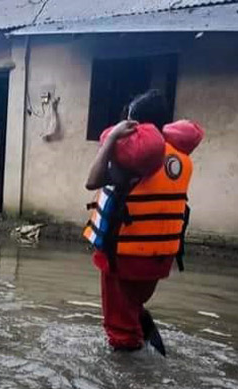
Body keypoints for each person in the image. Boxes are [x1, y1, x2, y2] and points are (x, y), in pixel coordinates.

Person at [84, 90, 196, 355]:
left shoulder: (134, 161)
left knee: (119, 330)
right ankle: (147, 342)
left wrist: (111, 139)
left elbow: (92, 180)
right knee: (133, 305)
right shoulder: (178, 157)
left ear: (136, 125)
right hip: (159, 259)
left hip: (124, 256)